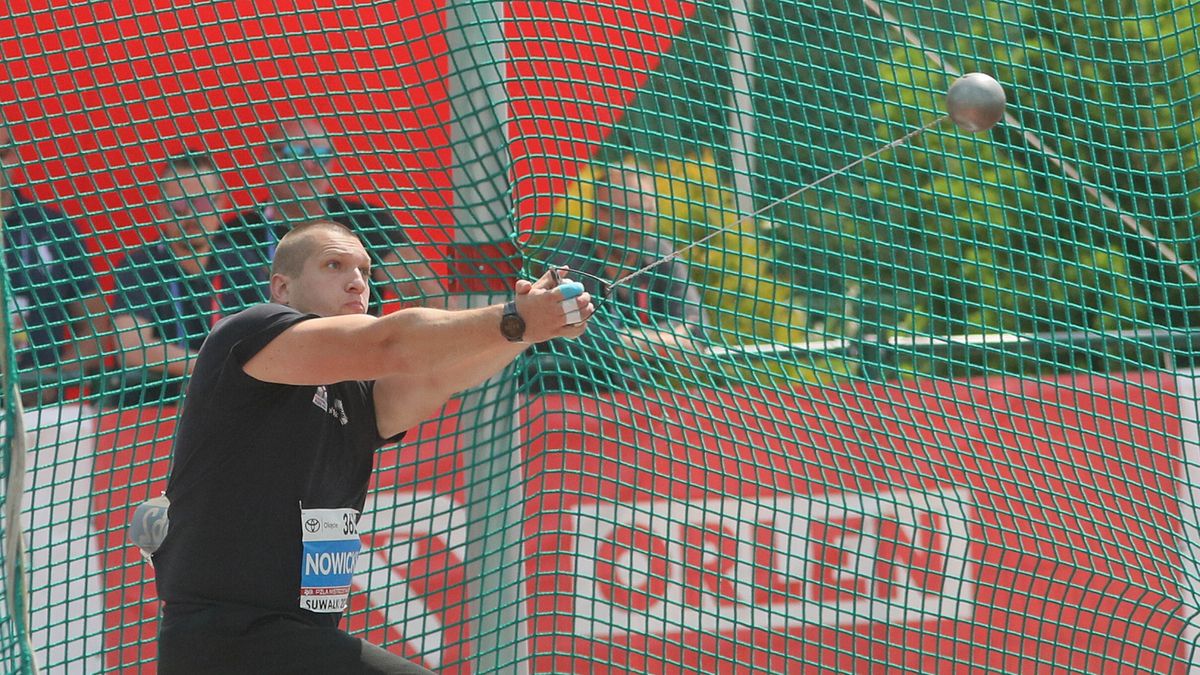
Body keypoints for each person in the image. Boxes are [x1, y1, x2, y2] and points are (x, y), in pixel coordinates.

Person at [151, 220, 593, 674]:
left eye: (364, 269)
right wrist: (515, 317)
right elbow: (392, 343)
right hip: (229, 641)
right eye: (334, 265)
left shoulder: (354, 392)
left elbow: (438, 376)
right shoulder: (251, 331)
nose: (356, 280)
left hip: (300, 639)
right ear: (282, 287)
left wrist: (532, 329)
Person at [223, 117, 442, 309]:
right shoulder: (238, 234)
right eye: (296, 154)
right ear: (267, 161)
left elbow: (431, 297)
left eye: (321, 155)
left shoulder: (364, 221)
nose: (309, 166)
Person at [528, 163, 705, 391]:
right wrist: (667, 341)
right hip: (562, 398)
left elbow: (698, 331)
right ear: (596, 211)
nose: (631, 225)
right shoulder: (565, 260)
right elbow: (577, 338)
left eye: (642, 213)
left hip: (637, 402)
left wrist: (626, 343)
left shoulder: (662, 257)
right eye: (619, 213)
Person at [109, 152, 259, 404]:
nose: (192, 214)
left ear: (220, 205)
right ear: (161, 209)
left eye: (202, 203)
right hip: (154, 414)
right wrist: (213, 367)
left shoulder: (242, 264)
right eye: (179, 204)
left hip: (231, 409)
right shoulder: (140, 267)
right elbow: (131, 349)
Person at [1, 118, 109, 405]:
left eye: (3, 153)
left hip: (45, 411)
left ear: (16, 155)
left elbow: (97, 324)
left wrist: (55, 377)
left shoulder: (53, 229)